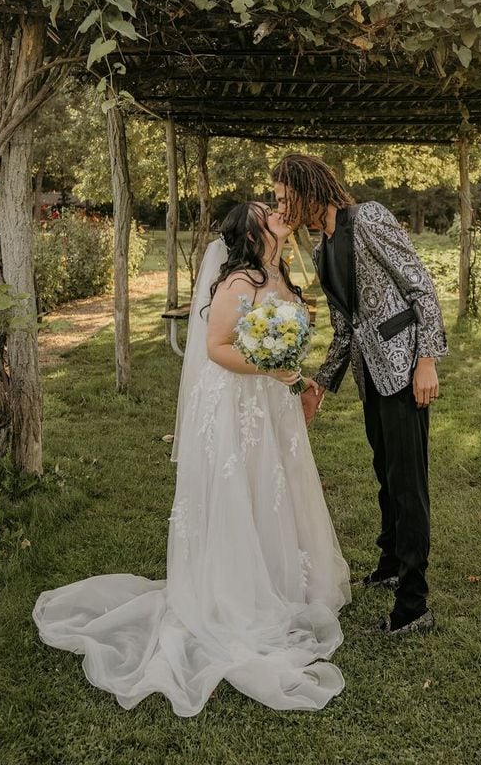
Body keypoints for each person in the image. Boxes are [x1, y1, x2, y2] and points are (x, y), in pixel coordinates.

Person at [33, 202, 350, 716]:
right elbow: (217, 346)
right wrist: (270, 371)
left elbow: (280, 342)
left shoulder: (280, 275)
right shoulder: (236, 282)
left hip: (273, 400)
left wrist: (297, 376)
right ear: (251, 232)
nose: (277, 210)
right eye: (267, 210)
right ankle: (235, 591)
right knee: (244, 489)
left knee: (277, 487)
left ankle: (283, 579)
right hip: (239, 403)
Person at [272, 154, 447, 637]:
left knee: (409, 484)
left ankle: (414, 604)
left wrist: (427, 360)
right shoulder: (324, 246)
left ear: (309, 189)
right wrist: (320, 385)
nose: (281, 208)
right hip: (371, 376)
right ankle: (391, 562)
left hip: (407, 367)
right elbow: (345, 328)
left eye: (286, 198)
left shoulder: (368, 217)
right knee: (385, 473)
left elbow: (421, 287)